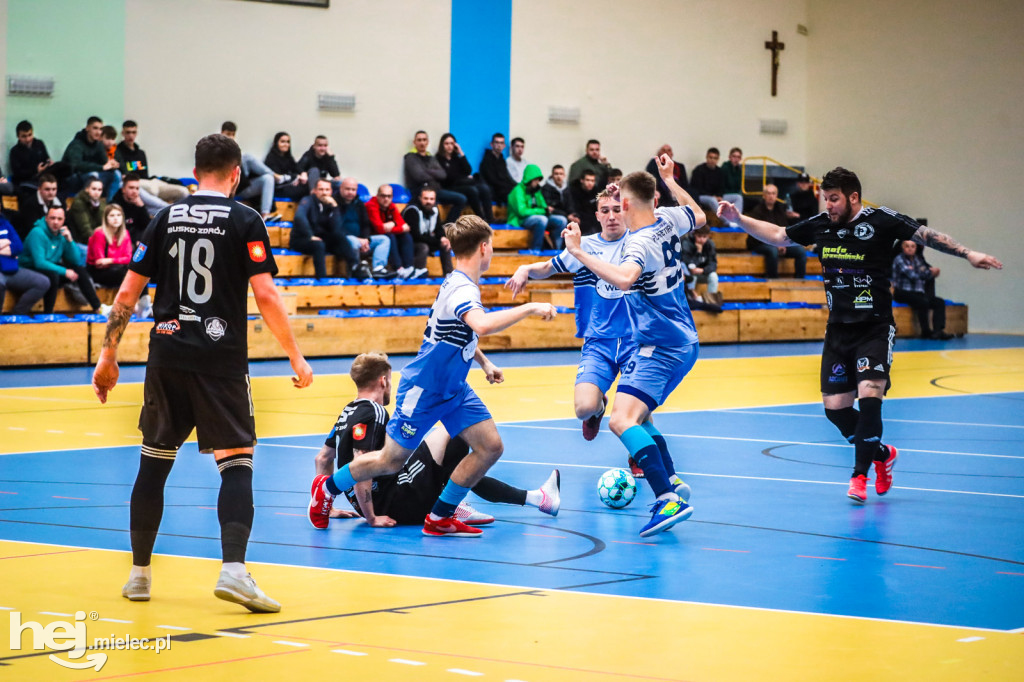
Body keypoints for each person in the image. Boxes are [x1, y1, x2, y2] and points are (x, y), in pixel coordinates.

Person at [92, 133, 314, 613]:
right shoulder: (246, 218)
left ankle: (139, 575)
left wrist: (107, 356)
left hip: (166, 356)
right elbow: (268, 296)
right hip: (221, 360)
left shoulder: (165, 217)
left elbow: (126, 296)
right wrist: (294, 355)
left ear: (195, 174)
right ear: (236, 174)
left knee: (154, 462)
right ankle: (234, 571)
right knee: (237, 460)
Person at [718, 166, 1003, 504]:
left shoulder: (881, 220)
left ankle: (859, 476)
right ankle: (883, 454)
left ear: (853, 197)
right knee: (836, 409)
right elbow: (779, 235)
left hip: (875, 328)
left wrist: (968, 253)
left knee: (870, 397)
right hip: (838, 331)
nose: (829, 206)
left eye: (835, 199)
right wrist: (739, 219)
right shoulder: (822, 225)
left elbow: (925, 235)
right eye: (826, 199)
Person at [307, 215, 557, 537]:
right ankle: (327, 489)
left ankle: (440, 516)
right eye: (492, 246)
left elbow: (458, 333)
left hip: (454, 388)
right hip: (426, 388)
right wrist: (530, 308)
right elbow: (481, 325)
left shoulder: (457, 282)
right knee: (390, 460)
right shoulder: (462, 289)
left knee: (490, 447)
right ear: (484, 248)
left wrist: (483, 362)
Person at [560, 155, 701, 537]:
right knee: (633, 414)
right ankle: (670, 479)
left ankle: (666, 498)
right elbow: (699, 215)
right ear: (655, 198)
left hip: (660, 345)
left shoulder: (638, 245)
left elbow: (624, 279)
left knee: (621, 420)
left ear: (624, 205)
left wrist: (578, 252)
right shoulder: (669, 219)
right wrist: (670, 179)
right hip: (682, 338)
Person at [310, 352, 560, 527]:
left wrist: (328, 506)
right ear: (383, 381)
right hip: (395, 502)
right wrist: (372, 517)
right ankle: (447, 506)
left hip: (384, 497)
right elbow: (362, 465)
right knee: (457, 435)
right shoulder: (374, 412)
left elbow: (322, 459)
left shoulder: (347, 411)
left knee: (445, 442)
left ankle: (534, 498)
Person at [506, 188, 634, 442]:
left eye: (617, 210)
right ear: (597, 215)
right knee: (583, 408)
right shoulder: (583, 246)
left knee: (634, 408)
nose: (611, 216)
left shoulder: (639, 242)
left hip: (635, 339)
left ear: (627, 211)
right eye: (605, 211)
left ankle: (637, 454)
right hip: (598, 340)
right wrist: (525, 268)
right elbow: (547, 267)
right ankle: (598, 408)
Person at [19, 205, 105, 314]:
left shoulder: (62, 234)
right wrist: (64, 272)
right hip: (30, 268)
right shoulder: (37, 232)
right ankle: (48, 314)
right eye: (52, 218)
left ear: (63, 220)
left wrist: (70, 240)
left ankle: (98, 307)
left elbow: (75, 260)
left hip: (50, 267)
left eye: (59, 219)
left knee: (79, 270)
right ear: (46, 218)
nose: (56, 222)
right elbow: (39, 263)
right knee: (53, 275)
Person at [291, 178, 363, 279]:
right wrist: (310, 236)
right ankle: (323, 279)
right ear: (315, 191)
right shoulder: (307, 200)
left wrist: (334, 207)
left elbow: (336, 228)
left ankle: (355, 267)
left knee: (340, 237)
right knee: (319, 245)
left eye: (327, 190)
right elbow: (299, 217)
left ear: (331, 191)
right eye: (321, 189)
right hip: (302, 239)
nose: (324, 193)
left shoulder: (331, 204)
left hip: (321, 238)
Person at [115, 120, 190, 210]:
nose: (131, 135)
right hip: (137, 184)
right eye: (128, 132)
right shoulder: (118, 152)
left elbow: (145, 174)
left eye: (133, 132)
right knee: (152, 190)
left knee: (183, 192)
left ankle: (176, 214)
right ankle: (167, 208)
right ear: (123, 133)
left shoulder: (141, 153)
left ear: (136, 133)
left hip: (150, 182)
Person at [892, 240, 953, 340]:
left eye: (913, 246)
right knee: (922, 302)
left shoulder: (917, 260)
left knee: (939, 302)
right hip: (902, 293)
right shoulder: (899, 260)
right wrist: (929, 272)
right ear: (903, 248)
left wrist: (930, 273)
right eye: (907, 246)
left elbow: (925, 273)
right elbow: (913, 275)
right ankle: (926, 331)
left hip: (917, 293)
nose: (910, 248)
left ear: (916, 248)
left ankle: (938, 331)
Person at [744, 183, 807, 278]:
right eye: (768, 193)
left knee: (801, 251)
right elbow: (759, 234)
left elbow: (784, 229)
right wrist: (777, 245)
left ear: (776, 196)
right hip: (759, 243)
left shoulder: (780, 209)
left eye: (773, 193)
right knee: (773, 251)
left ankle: (800, 281)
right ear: (764, 195)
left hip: (779, 243)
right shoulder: (757, 211)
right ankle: (773, 280)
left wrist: (783, 244)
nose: (771, 196)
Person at [335, 177, 392, 280]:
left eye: (353, 190)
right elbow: (337, 227)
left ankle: (378, 268)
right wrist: (358, 240)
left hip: (361, 240)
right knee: (352, 241)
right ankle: (355, 269)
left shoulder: (359, 204)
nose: (350, 192)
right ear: (341, 189)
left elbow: (365, 224)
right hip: (342, 240)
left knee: (384, 239)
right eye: (347, 189)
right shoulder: (334, 204)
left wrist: (365, 239)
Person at [403, 130, 466, 221]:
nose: (422, 143)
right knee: (432, 203)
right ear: (415, 142)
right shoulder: (410, 157)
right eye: (419, 140)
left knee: (461, 199)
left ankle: (447, 228)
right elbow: (419, 176)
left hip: (436, 190)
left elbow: (443, 175)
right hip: (419, 191)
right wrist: (434, 173)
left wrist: (426, 170)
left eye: (424, 140)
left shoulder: (431, 158)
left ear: (427, 142)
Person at [220, 122, 277, 220]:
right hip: (225, 188)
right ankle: (279, 177)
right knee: (247, 158)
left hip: (240, 186)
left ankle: (265, 215)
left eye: (233, 135)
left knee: (268, 178)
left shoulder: (236, 151)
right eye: (228, 134)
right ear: (222, 133)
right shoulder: (216, 150)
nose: (231, 137)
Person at [434, 133, 494, 223]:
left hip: (461, 184)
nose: (449, 146)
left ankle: (490, 218)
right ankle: (481, 218)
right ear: (442, 145)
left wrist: (461, 153)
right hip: (449, 187)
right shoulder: (438, 158)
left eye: (452, 143)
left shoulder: (456, 157)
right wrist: (463, 177)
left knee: (484, 188)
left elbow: (468, 170)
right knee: (472, 190)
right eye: (447, 144)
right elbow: (447, 177)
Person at [508, 164, 568, 251]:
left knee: (562, 220)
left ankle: (556, 250)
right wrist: (542, 210)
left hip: (538, 217)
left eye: (538, 180)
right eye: (536, 180)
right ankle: (535, 249)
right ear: (529, 179)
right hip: (520, 219)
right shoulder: (518, 191)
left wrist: (546, 210)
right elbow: (522, 212)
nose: (537, 182)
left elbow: (543, 206)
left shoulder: (536, 190)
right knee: (542, 220)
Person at [367, 184, 421, 279]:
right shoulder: (371, 206)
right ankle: (399, 269)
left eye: (389, 196)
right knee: (390, 236)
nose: (386, 199)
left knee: (406, 236)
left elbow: (405, 226)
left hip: (386, 234)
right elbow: (380, 229)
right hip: (372, 237)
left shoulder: (391, 206)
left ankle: (409, 268)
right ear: (377, 196)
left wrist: (393, 223)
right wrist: (397, 226)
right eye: (383, 196)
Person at [0, 212, 50, 314]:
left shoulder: (5, 224)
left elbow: (18, 247)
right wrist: (6, 242)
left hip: (11, 269)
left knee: (43, 282)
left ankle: (18, 315)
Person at [62, 116, 121, 199]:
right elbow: (77, 165)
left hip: (92, 173)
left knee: (117, 174)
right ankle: (86, 204)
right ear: (87, 128)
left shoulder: (99, 145)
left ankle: (107, 205)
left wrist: (112, 165)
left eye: (100, 129)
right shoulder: (76, 144)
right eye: (95, 128)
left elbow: (105, 162)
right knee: (93, 176)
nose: (98, 132)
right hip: (73, 176)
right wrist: (101, 167)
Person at [402, 184, 453, 276]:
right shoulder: (412, 210)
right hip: (409, 245)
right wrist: (438, 241)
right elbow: (415, 236)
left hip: (426, 240)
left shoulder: (434, 210)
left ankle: (449, 274)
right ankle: (417, 272)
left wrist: (442, 238)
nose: (428, 201)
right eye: (425, 198)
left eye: (431, 199)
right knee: (423, 247)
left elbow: (438, 228)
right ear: (420, 198)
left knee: (445, 244)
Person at [8, 120, 70, 189]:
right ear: (18, 136)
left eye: (30, 135)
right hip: (28, 179)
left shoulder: (39, 144)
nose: (28, 139)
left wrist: (49, 163)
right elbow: (18, 173)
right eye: (24, 136)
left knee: (63, 168)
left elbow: (46, 158)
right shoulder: (15, 151)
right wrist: (36, 170)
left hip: (44, 174)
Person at [86, 204, 132, 289]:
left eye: (119, 215)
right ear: (106, 218)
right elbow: (100, 263)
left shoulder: (125, 233)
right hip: (98, 272)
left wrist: (110, 260)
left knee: (137, 271)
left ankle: (144, 298)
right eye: (112, 215)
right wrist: (119, 260)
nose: (116, 218)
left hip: (116, 269)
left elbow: (129, 258)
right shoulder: (99, 233)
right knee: (126, 272)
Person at [691, 147, 742, 218]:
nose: (712, 160)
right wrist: (713, 196)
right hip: (702, 196)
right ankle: (726, 221)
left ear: (718, 159)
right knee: (712, 200)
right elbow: (696, 189)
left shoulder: (719, 171)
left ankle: (738, 219)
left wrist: (719, 196)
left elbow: (721, 187)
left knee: (738, 197)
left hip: (716, 197)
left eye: (715, 158)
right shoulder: (699, 170)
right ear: (706, 157)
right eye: (710, 157)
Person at [681, 224, 722, 307]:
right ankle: (691, 300)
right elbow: (686, 262)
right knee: (692, 278)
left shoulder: (710, 244)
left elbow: (713, 264)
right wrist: (698, 252)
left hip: (703, 272)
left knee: (713, 276)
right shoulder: (686, 243)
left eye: (704, 237)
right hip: (689, 274)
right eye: (699, 236)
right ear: (694, 234)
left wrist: (703, 270)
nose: (702, 239)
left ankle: (711, 302)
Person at [13, 173, 61, 238]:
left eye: (54, 189)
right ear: (39, 189)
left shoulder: (60, 202)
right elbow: (33, 229)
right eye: (47, 189)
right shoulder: (30, 204)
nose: (51, 193)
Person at [263, 132, 308, 201]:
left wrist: (302, 173)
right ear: (276, 143)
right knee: (307, 189)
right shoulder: (271, 158)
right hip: (278, 189)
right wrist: (295, 177)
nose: (286, 144)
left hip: (288, 186)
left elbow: (296, 169)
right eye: (282, 142)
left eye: (288, 142)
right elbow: (279, 178)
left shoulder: (288, 157)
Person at [112, 173, 154, 244]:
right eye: (131, 188)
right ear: (123, 190)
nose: (135, 191)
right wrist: (135, 241)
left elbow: (147, 227)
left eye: (137, 188)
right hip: (121, 242)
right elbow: (117, 231)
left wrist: (141, 207)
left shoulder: (138, 204)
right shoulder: (114, 206)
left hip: (137, 240)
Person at [67, 178, 107, 249]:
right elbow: (85, 228)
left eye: (99, 190)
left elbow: (102, 223)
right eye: (94, 189)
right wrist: (99, 242)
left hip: (93, 239)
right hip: (78, 241)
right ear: (87, 189)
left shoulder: (101, 204)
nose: (96, 192)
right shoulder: (79, 203)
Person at [478, 132, 516, 206]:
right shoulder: (487, 160)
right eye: (497, 142)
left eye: (501, 143)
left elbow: (506, 177)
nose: (499, 145)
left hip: (503, 189)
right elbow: (492, 180)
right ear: (491, 144)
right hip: (494, 191)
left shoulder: (502, 160)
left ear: (504, 146)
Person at [570, 170, 600, 236]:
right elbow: (572, 208)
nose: (590, 183)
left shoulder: (596, 191)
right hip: (579, 218)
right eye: (588, 180)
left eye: (592, 181)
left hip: (593, 218)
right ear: (582, 180)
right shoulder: (573, 191)